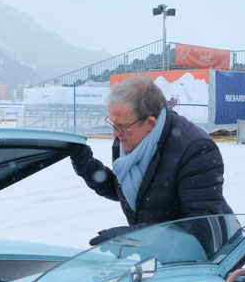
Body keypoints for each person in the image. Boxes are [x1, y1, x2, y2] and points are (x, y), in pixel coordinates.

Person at [70, 75, 233, 245]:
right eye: (112, 124)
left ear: (150, 123)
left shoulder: (196, 150)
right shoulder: (128, 141)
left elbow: (202, 228)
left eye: (121, 126)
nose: (115, 134)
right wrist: (86, 166)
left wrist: (139, 235)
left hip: (210, 258)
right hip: (160, 252)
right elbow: (131, 192)